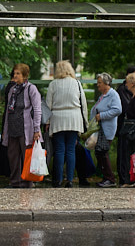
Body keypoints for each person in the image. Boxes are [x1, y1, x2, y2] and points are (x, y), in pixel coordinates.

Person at [45, 60, 87, 188]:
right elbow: (83, 105)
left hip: (57, 119)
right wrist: (85, 122)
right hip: (74, 119)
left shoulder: (53, 84)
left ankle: (57, 180)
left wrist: (47, 122)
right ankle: (69, 180)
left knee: (59, 151)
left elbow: (48, 105)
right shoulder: (77, 84)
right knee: (70, 151)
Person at [1, 63, 42, 188]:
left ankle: (27, 181)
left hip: (26, 128)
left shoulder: (31, 89)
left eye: (18, 73)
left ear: (25, 75)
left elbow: (37, 109)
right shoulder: (12, 90)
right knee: (12, 155)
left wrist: (36, 129)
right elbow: (8, 110)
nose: (15, 75)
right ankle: (15, 181)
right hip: (13, 127)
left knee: (26, 156)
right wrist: (5, 130)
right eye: (14, 73)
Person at [90, 73, 122, 188]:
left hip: (107, 130)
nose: (97, 85)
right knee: (100, 153)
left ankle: (110, 179)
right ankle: (106, 177)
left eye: (99, 83)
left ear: (106, 83)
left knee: (103, 153)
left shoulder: (113, 95)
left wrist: (102, 116)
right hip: (100, 130)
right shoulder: (102, 95)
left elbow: (117, 110)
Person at [116, 65, 135, 186]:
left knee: (133, 154)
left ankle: (134, 177)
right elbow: (127, 109)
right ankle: (125, 178)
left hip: (134, 128)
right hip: (125, 128)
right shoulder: (122, 91)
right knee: (124, 154)